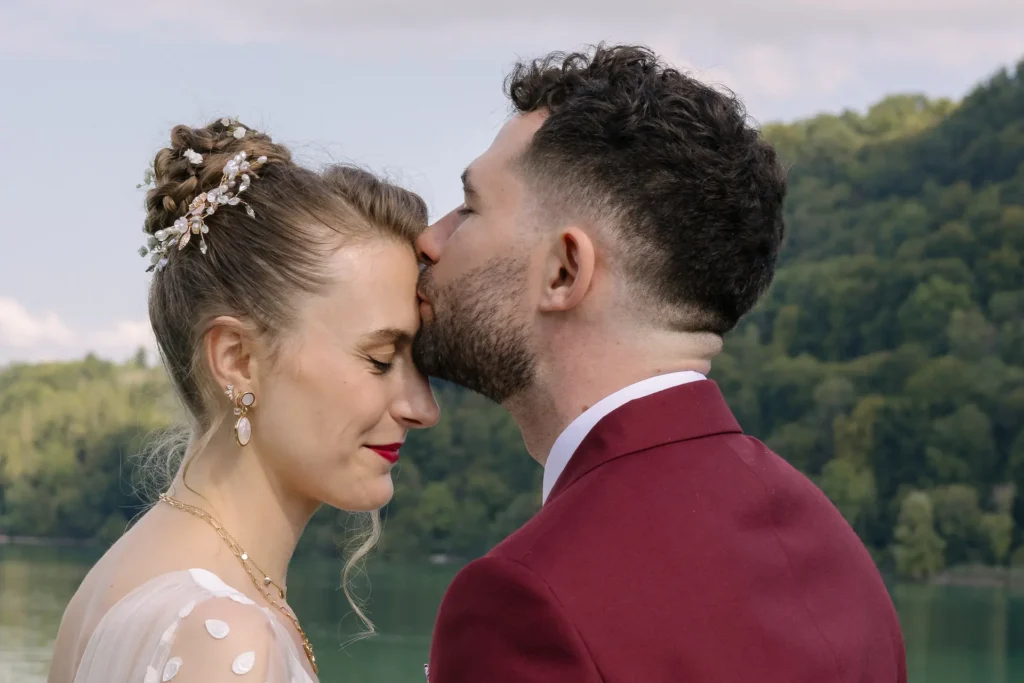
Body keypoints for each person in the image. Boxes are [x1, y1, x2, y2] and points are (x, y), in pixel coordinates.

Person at [414, 45, 907, 682]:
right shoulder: (840, 559)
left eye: (471, 208)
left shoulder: (528, 599)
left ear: (564, 271)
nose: (430, 238)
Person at [48, 119, 439, 683]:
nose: (423, 409)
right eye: (380, 360)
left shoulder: (119, 578)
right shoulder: (225, 635)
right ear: (236, 358)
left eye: (419, 364)